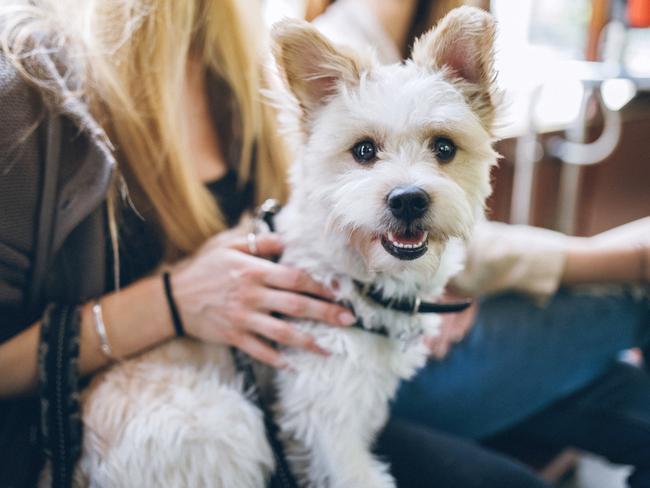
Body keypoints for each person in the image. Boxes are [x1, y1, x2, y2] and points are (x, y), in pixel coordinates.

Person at [0, 0, 551, 487]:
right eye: (366, 151)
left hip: (285, 403)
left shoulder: (239, 65)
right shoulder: (30, 81)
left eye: (441, 147)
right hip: (160, 428)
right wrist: (169, 302)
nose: (409, 183)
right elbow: (320, 438)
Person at [314, 1, 650, 486]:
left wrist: (444, 273)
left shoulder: (415, 47)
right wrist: (622, 260)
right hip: (381, 358)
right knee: (635, 301)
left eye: (442, 149)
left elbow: (452, 238)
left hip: (425, 325)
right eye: (369, 152)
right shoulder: (335, 60)